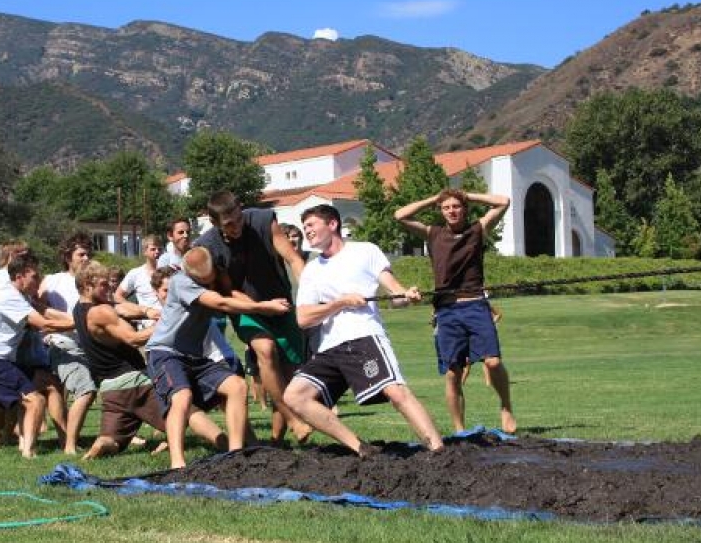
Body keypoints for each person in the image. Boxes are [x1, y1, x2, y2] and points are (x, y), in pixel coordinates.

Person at [282, 205, 443, 455]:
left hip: (363, 336)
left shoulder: (365, 251)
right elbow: (303, 318)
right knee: (295, 396)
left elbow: (394, 293)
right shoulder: (312, 270)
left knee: (396, 392)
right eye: (305, 228)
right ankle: (360, 447)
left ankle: (438, 449)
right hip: (329, 347)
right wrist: (341, 302)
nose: (307, 231)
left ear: (332, 224)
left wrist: (406, 296)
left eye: (312, 225)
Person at [145, 247, 291, 468]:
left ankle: (235, 455)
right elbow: (220, 303)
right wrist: (262, 307)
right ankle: (178, 464)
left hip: (194, 357)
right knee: (182, 397)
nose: (206, 281)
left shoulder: (215, 275)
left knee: (238, 386)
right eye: (201, 279)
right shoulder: (180, 282)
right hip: (165, 352)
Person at [75, 261, 226, 459]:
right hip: (135, 382)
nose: (110, 287)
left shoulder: (79, 309)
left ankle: (104, 442)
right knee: (185, 410)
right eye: (104, 284)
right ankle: (227, 444)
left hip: (111, 389)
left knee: (115, 441)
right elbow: (134, 338)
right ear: (87, 285)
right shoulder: (100, 312)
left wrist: (149, 312)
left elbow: (120, 307)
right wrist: (169, 322)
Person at [395, 189, 516, 434]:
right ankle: (460, 430)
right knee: (453, 373)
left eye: (456, 206)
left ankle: (506, 407)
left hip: (475, 305)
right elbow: (400, 215)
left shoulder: (477, 230)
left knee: (492, 362)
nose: (452, 211)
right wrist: (433, 199)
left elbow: (503, 201)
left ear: (465, 208)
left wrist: (468, 196)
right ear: (440, 211)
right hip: (447, 309)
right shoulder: (433, 233)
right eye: (446, 207)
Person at [194, 191, 311, 443]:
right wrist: (262, 307)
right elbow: (228, 291)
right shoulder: (210, 245)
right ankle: (293, 420)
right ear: (215, 224)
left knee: (290, 376)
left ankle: (277, 441)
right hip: (246, 308)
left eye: (238, 219)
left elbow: (292, 257)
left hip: (282, 303)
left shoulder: (262, 220)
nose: (237, 226)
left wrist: (309, 293)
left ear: (241, 209)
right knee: (266, 350)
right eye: (229, 224)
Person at [0, 252, 75, 458]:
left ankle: (25, 448)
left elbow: (43, 315)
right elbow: (45, 323)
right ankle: (27, 452)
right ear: (20, 276)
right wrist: (82, 323)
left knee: (34, 398)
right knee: (35, 401)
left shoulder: (19, 296)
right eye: (34, 277)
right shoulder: (9, 295)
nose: (37, 281)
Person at [38, 233, 98, 454]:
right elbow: (36, 307)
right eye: (80, 254)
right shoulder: (52, 281)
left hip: (89, 346)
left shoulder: (90, 282)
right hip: (61, 344)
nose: (85, 258)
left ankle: (69, 439)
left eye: (88, 254)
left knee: (68, 393)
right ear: (68, 257)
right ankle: (70, 445)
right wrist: (65, 320)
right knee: (85, 389)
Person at [114, 235, 163, 319]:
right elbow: (117, 296)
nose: (157, 252)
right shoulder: (136, 273)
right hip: (147, 321)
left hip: (168, 321)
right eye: (153, 249)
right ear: (145, 252)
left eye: (159, 249)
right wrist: (139, 310)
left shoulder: (168, 272)